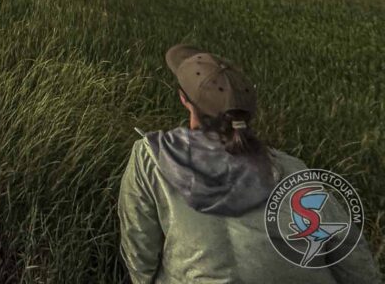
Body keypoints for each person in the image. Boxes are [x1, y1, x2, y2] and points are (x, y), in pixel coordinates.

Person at [118, 44, 382, 284]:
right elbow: (353, 260)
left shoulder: (150, 157)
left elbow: (140, 265)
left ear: (184, 99)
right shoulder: (293, 170)